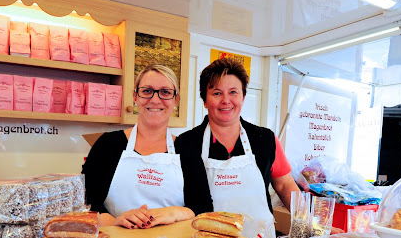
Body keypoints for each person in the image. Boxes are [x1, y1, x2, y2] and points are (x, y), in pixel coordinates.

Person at [175, 57, 299, 229]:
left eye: (233, 92)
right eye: (217, 93)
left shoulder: (265, 139)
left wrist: (311, 223)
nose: (226, 100)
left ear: (243, 96)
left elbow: (285, 184)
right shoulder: (185, 144)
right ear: (204, 100)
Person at [82, 64, 195, 228]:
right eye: (147, 91)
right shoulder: (107, 144)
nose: (155, 100)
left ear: (176, 100)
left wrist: (171, 213)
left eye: (165, 92)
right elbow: (84, 200)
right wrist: (115, 221)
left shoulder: (187, 150)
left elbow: (202, 207)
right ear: (135, 97)